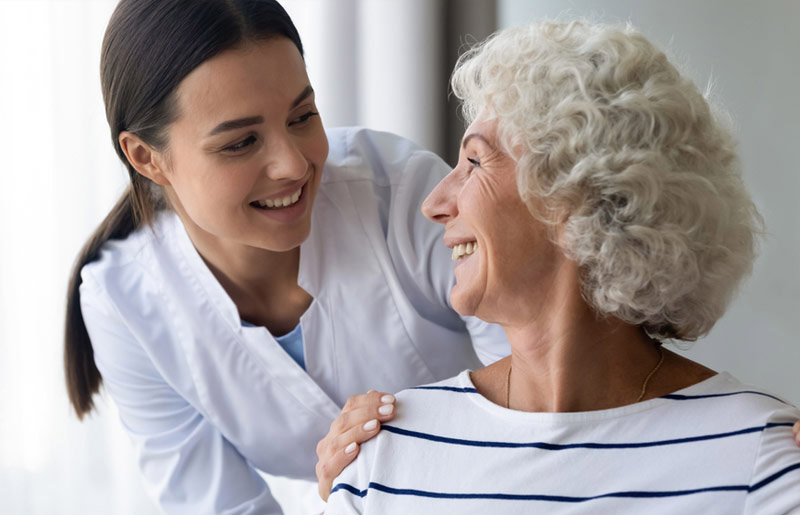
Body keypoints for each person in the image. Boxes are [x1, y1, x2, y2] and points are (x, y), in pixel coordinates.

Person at [325, 21, 800, 513]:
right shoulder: (386, 457)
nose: (434, 203)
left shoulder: (759, 461)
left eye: (475, 162)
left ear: (579, 193)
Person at [63, 0, 509, 512]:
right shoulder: (122, 303)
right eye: (241, 142)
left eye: (302, 116)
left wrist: (396, 457)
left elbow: (544, 397)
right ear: (146, 157)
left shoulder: (407, 196)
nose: (293, 165)